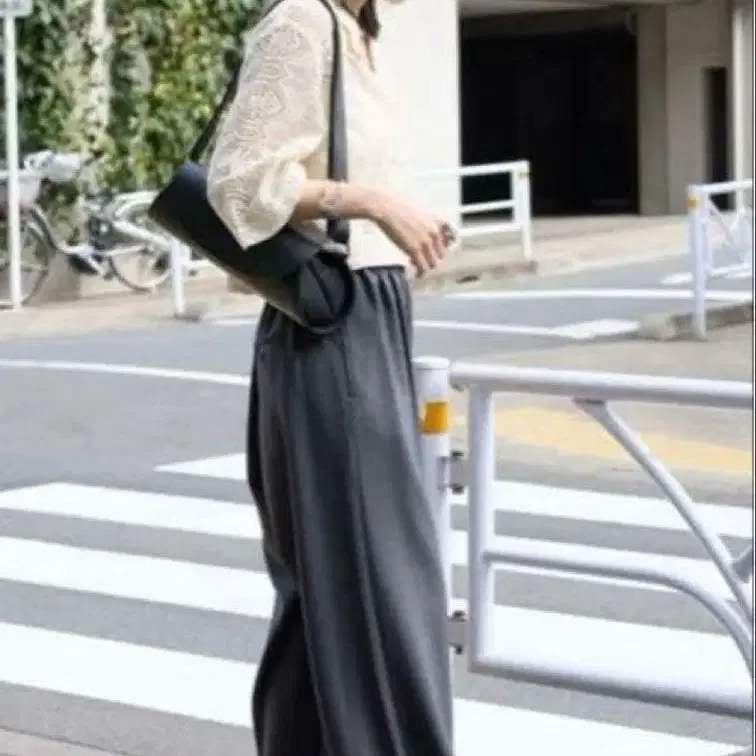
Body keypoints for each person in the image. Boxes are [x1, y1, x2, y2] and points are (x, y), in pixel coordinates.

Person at [206, 0, 456, 754]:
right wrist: (370, 202)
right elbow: (237, 183)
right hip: (329, 323)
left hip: (370, 314)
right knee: (375, 588)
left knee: (338, 591)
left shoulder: (354, 29)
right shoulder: (301, 23)